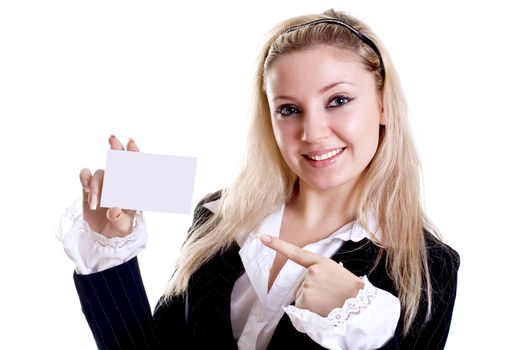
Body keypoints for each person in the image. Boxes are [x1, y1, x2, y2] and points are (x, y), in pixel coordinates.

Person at [60, 8, 459, 350]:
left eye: (338, 101)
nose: (313, 133)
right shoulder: (218, 217)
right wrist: (110, 255)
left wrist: (361, 330)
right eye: (289, 109)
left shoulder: (426, 268)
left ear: (383, 104)